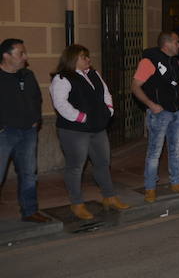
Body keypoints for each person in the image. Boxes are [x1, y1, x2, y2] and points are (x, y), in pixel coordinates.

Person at [51, 45, 129, 219]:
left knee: (103, 162)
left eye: (88, 56)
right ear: (73, 59)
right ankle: (77, 203)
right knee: (76, 167)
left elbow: (105, 93)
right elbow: (60, 103)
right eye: (83, 57)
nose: (88, 60)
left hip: (98, 127)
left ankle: (109, 196)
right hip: (74, 130)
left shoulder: (94, 74)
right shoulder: (63, 78)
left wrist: (108, 110)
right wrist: (81, 117)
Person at [131, 31, 179, 202]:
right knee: (154, 152)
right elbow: (135, 86)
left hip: (177, 111)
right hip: (160, 113)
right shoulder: (149, 61)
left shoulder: (175, 61)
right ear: (167, 44)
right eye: (177, 42)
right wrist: (151, 105)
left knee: (175, 149)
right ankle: (150, 187)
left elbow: (176, 83)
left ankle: (176, 182)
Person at [0, 39, 52, 223]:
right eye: (21, 54)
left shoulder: (27, 75)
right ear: (6, 55)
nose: (25, 57)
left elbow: (37, 98)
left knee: (29, 173)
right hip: (4, 134)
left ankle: (30, 211)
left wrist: (36, 119)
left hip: (28, 133)